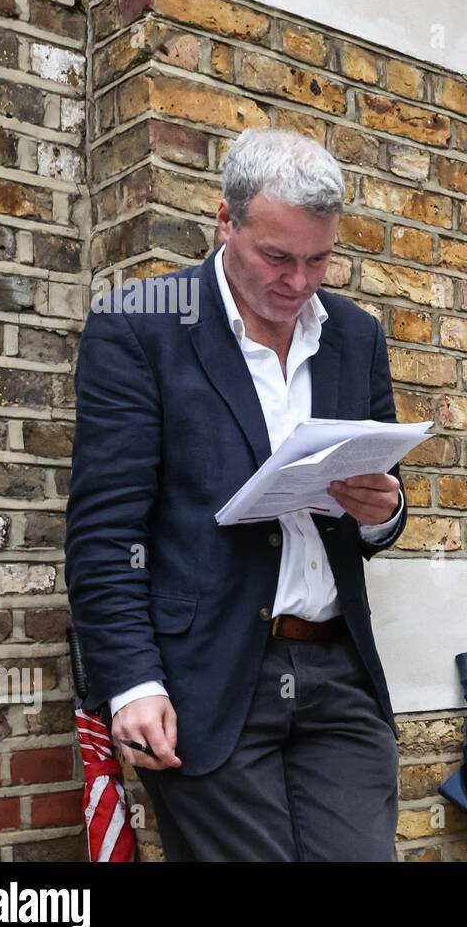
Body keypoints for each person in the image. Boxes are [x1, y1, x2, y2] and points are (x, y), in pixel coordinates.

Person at [65, 128, 408, 861]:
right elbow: (104, 534)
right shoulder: (140, 327)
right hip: (208, 682)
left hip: (337, 673)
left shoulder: (356, 335)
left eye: (319, 259)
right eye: (277, 257)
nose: (299, 281)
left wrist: (383, 511)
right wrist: (132, 683)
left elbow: (383, 497)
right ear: (225, 221)